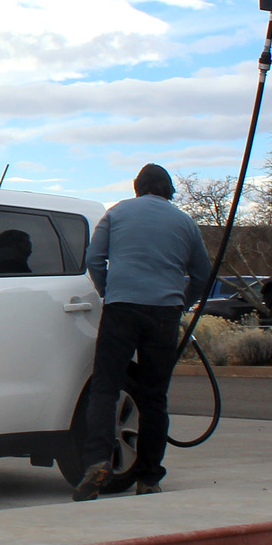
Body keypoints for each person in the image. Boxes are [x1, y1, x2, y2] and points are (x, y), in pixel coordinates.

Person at [73, 163, 210, 501]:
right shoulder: (185, 222)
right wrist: (181, 302)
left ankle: (98, 462)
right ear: (169, 190)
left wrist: (109, 291)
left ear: (138, 187)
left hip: (121, 309)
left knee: (105, 388)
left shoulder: (117, 214)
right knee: (154, 397)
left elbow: (94, 259)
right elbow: (203, 275)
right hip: (163, 314)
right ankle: (148, 477)